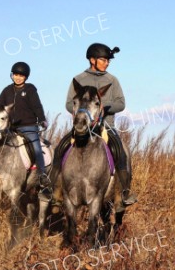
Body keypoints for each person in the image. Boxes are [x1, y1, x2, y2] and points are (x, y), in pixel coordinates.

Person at [56, 43, 137, 208]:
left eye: (108, 60)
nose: (106, 63)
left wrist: (103, 107)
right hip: (82, 127)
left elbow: (121, 104)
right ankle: (55, 192)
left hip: (105, 126)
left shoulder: (112, 80)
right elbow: (68, 104)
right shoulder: (78, 79)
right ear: (92, 60)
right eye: (103, 59)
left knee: (120, 152)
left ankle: (122, 195)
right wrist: (81, 112)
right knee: (60, 149)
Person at [0, 62, 52, 201]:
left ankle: (42, 175)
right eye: (16, 75)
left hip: (29, 126)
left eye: (21, 75)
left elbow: (37, 106)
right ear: (12, 75)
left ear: (26, 77)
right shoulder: (7, 90)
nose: (18, 77)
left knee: (36, 148)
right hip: (11, 127)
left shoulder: (30, 90)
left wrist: (42, 119)